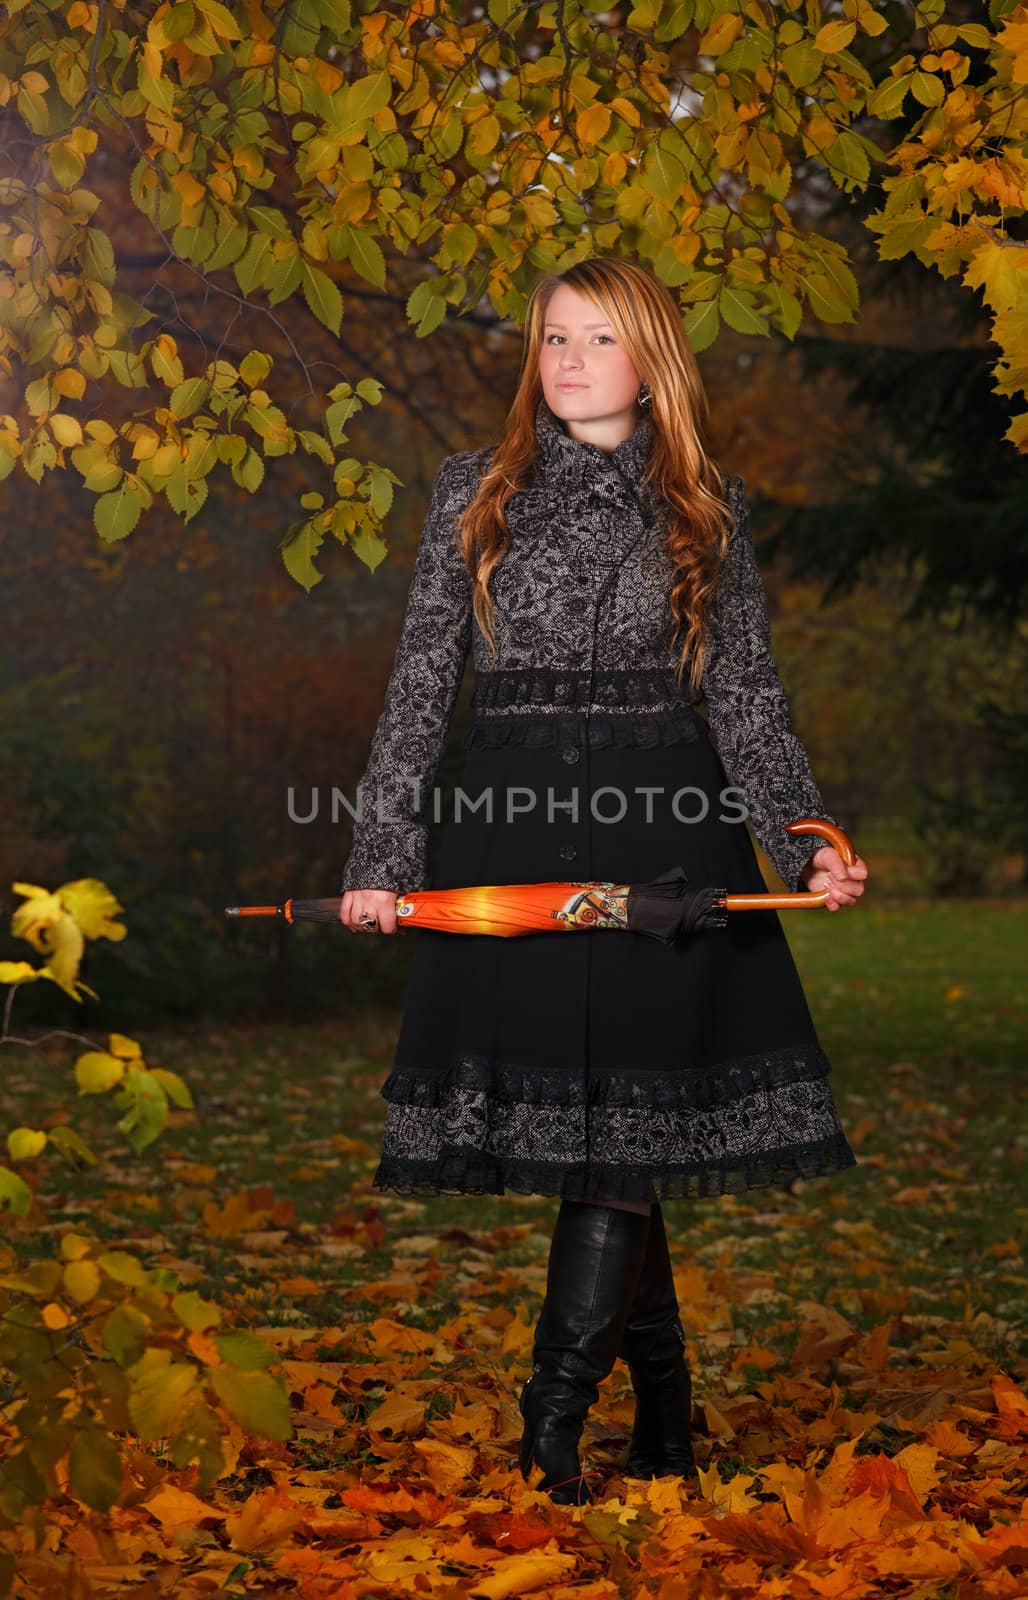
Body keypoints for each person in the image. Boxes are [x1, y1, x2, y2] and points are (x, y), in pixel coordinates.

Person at [337, 258, 869, 1506]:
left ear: (652, 357)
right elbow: (420, 685)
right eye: (550, 339)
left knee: (616, 1135)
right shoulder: (473, 490)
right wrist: (380, 859)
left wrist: (807, 838)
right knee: (606, 1136)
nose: (565, 361)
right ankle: (669, 1422)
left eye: (595, 338)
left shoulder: (705, 504)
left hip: (660, 847)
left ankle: (551, 1419)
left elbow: (745, 702)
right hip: (509, 842)